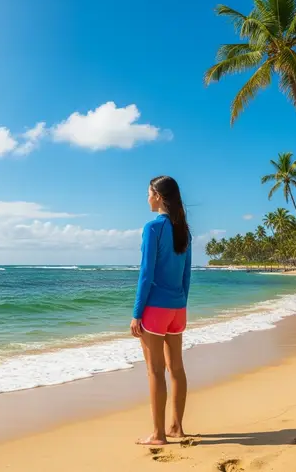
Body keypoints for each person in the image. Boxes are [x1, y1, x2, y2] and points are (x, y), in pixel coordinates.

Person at [130, 176, 192, 446]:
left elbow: (146, 274)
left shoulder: (153, 228)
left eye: (148, 193)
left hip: (155, 309)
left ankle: (158, 435)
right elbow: (186, 274)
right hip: (178, 309)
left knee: (155, 371)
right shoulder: (184, 230)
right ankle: (177, 428)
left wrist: (136, 313)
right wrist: (180, 304)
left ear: (157, 195)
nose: (146, 199)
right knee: (175, 368)